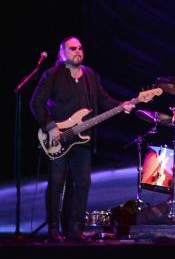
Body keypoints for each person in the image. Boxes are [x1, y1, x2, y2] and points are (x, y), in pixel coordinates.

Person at [29, 37, 135, 242]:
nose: (77, 51)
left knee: (82, 183)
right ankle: (53, 229)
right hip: (58, 138)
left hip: (83, 141)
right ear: (62, 52)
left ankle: (74, 230)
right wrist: (50, 127)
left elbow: (104, 101)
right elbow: (36, 103)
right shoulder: (52, 75)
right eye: (72, 48)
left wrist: (122, 105)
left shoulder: (90, 75)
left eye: (80, 48)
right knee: (57, 184)